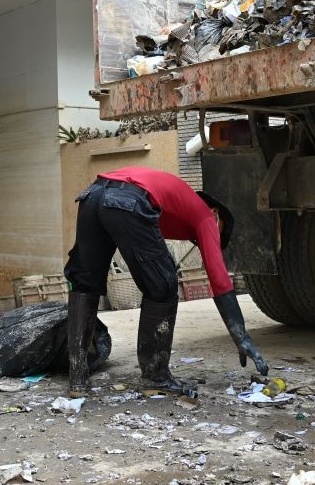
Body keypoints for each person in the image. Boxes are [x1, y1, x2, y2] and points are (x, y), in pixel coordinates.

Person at [64, 167, 269, 396]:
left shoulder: (174, 206)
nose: (207, 240)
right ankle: (155, 377)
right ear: (216, 213)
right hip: (128, 199)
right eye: (217, 234)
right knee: (163, 284)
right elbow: (219, 278)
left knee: (85, 281)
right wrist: (241, 336)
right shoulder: (205, 214)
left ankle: (78, 380)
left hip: (92, 195)